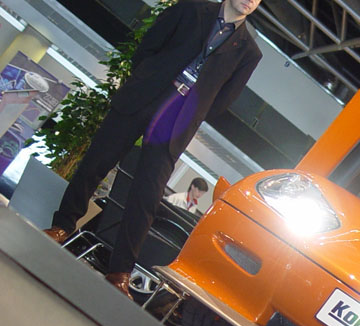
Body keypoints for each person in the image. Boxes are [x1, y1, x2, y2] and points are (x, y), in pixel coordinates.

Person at [43, 0, 262, 297]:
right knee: (97, 162)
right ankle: (63, 226)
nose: (251, 1)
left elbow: (222, 101)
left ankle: (120, 271)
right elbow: (148, 47)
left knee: (147, 195)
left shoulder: (249, 52)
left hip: (178, 118)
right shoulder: (191, 8)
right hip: (145, 94)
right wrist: (149, 79)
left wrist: (190, 109)